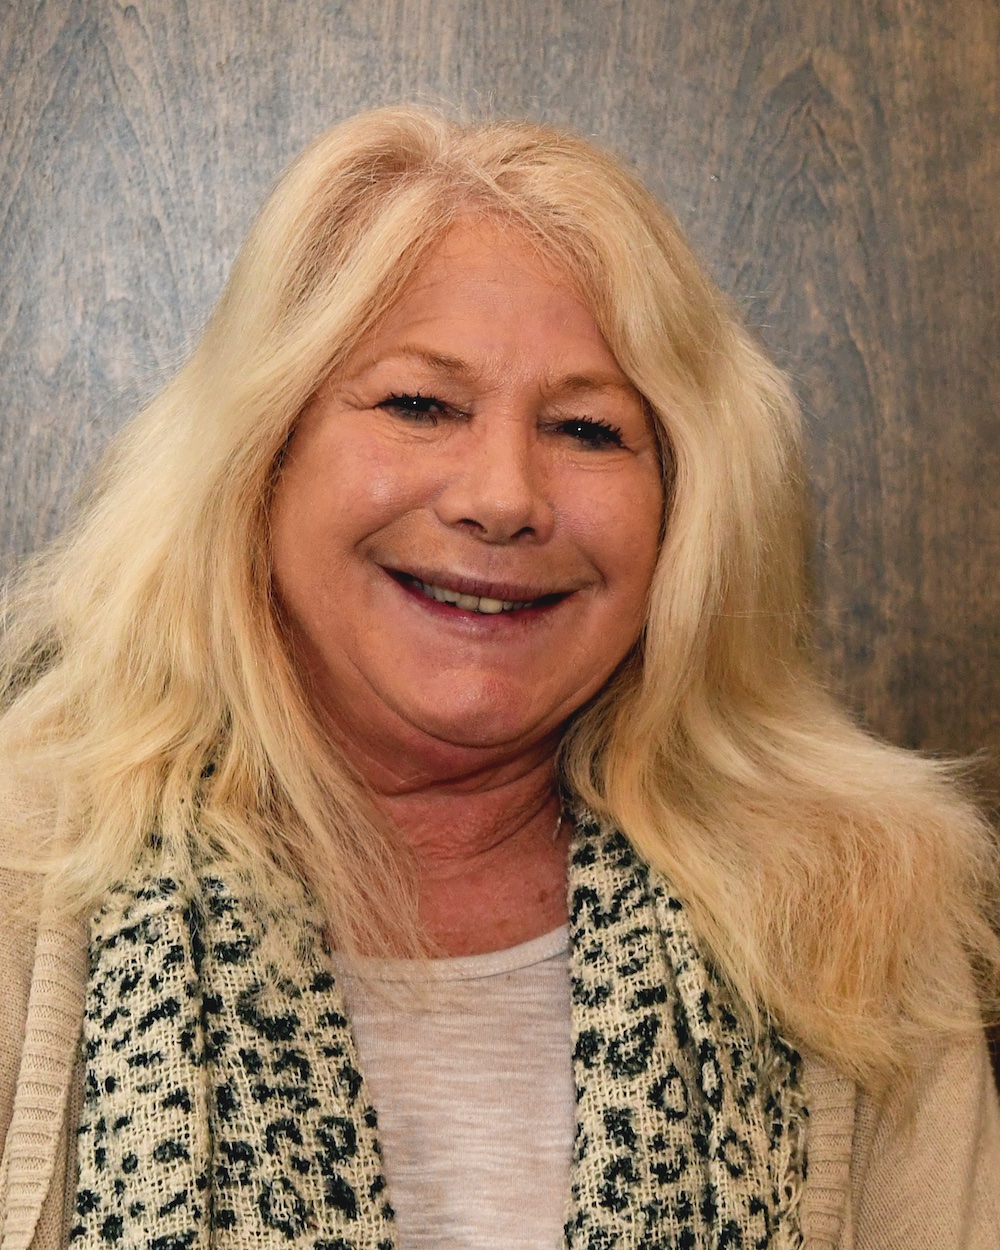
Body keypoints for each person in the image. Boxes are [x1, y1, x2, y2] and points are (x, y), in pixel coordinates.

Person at [0, 106, 997, 1250]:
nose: (504, 496)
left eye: (587, 428)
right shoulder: (24, 871)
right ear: (261, 457)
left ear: (685, 508)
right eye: (420, 405)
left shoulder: (855, 909)